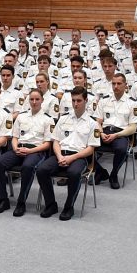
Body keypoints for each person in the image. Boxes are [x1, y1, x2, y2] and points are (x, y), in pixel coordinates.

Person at [36, 86, 102, 221]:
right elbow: (55, 141)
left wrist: (72, 158)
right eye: (73, 101)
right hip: (61, 154)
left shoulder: (92, 123)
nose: (75, 104)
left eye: (79, 101)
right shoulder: (63, 119)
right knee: (41, 169)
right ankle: (51, 204)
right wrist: (60, 156)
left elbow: (90, 149)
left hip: (80, 157)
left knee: (73, 173)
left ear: (86, 101)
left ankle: (68, 206)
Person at [0, 89, 54, 215]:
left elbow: (47, 144)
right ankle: (3, 199)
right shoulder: (21, 116)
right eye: (31, 99)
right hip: (18, 148)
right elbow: (14, 137)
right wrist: (15, 148)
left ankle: (21, 202)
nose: (34, 102)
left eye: (37, 99)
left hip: (36, 151)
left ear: (42, 100)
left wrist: (30, 150)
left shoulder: (48, 119)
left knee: (27, 167)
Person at [96, 73, 137, 189]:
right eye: (114, 83)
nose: (116, 86)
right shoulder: (104, 100)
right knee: (84, 145)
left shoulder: (133, 103)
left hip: (121, 133)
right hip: (104, 131)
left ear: (125, 85)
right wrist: (100, 133)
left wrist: (116, 135)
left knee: (121, 149)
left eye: (119, 84)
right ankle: (100, 171)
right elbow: (97, 121)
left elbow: (133, 128)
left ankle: (113, 174)